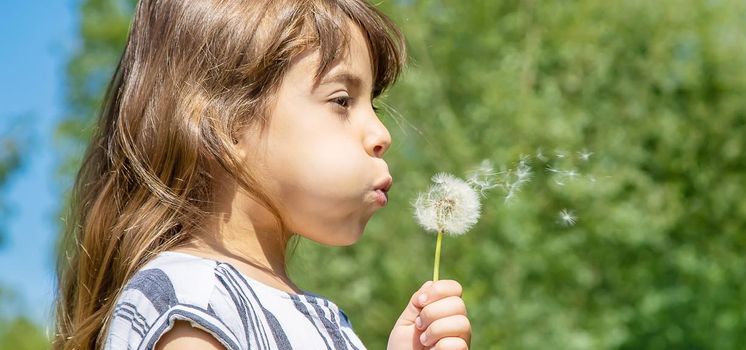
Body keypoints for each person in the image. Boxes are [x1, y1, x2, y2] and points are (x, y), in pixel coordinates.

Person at [51, 0, 471, 349]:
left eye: (373, 107)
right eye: (343, 101)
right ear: (227, 126)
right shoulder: (193, 304)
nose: (381, 135)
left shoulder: (315, 317)